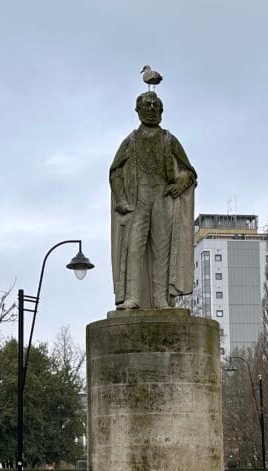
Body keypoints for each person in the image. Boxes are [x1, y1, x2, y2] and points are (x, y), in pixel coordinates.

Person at [108, 91, 198, 310]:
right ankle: (133, 297)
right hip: (137, 201)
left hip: (162, 199)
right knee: (133, 249)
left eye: (155, 106)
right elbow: (115, 171)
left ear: (161, 111)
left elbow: (189, 172)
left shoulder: (169, 139)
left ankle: (160, 298)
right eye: (146, 106)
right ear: (137, 110)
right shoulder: (130, 141)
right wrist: (120, 199)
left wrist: (180, 184)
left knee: (162, 250)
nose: (150, 109)